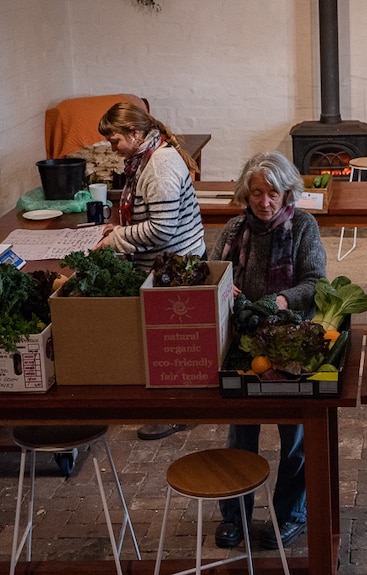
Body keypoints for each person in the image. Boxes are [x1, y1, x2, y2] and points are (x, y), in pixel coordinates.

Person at [212, 151, 327, 550]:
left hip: (291, 344)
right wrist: (228, 291)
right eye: (257, 193)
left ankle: (291, 515)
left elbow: (315, 283)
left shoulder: (303, 227)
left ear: (287, 192)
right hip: (243, 346)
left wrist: (281, 301)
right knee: (241, 434)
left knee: (294, 437)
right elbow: (214, 277)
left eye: (273, 193)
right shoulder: (231, 231)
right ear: (246, 193)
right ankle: (234, 515)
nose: (264, 202)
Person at [95, 102, 206, 441]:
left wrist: (118, 238)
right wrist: (120, 224)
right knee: (169, 343)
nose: (112, 148)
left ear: (136, 133)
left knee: (173, 346)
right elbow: (148, 215)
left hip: (175, 266)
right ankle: (174, 408)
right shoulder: (146, 157)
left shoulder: (158, 168)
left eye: (114, 141)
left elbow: (162, 230)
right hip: (166, 263)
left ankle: (178, 413)